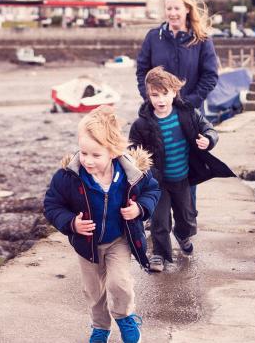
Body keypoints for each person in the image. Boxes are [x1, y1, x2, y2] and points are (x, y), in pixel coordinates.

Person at [44, 106, 160, 343]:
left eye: (96, 155)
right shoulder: (69, 177)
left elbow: (152, 190)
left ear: (113, 152)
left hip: (119, 239)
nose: (87, 160)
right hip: (88, 244)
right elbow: (52, 205)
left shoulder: (132, 174)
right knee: (94, 291)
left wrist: (140, 208)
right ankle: (100, 328)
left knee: (120, 283)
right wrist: (71, 223)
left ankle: (126, 317)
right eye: (84, 152)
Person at [129, 66, 235, 272]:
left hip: (182, 178)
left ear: (174, 92)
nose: (160, 100)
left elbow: (208, 128)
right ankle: (159, 254)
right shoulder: (141, 124)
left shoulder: (187, 113)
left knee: (187, 217)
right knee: (159, 221)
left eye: (165, 94)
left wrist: (209, 139)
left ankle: (183, 235)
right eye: (155, 95)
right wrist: (135, 163)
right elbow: (133, 148)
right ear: (148, 95)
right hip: (157, 182)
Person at [136, 0, 220, 209]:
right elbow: (142, 71)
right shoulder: (154, 37)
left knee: (186, 169)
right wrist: (149, 98)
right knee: (155, 167)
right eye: (168, 8)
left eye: (177, 8)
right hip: (157, 112)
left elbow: (210, 76)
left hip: (188, 115)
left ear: (187, 10)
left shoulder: (201, 40)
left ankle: (186, 223)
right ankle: (158, 222)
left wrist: (189, 102)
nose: (172, 13)